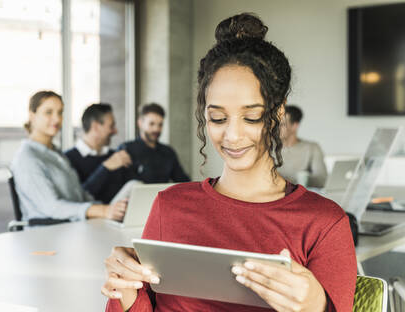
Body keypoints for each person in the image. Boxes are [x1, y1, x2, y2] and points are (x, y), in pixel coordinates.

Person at [101, 13, 356, 312]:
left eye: (251, 117)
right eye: (218, 118)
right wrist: (124, 287)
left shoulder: (324, 223)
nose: (232, 136)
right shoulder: (168, 206)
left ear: (277, 113)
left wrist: (317, 305)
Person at [11, 91, 127, 222]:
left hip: (74, 227)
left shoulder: (57, 154)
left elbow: (79, 196)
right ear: (32, 116)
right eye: (49, 112)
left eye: (60, 113)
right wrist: (103, 211)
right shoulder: (27, 158)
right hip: (48, 233)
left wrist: (111, 208)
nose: (57, 119)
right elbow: (51, 207)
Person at [65, 103, 135, 204]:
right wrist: (105, 168)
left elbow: (135, 188)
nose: (115, 131)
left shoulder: (115, 156)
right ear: (96, 127)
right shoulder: (67, 159)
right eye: (111, 126)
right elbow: (77, 199)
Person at [119, 103, 190, 183]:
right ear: (140, 123)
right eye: (151, 124)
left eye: (160, 125)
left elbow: (183, 181)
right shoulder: (126, 150)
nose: (156, 129)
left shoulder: (168, 152)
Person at [278, 105, 328, 188]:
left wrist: (303, 179)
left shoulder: (312, 148)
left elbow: (321, 180)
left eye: (282, 125)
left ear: (295, 126)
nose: (276, 128)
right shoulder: (266, 148)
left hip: (301, 196)